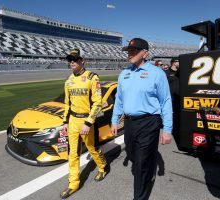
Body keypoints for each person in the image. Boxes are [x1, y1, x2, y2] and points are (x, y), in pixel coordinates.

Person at [111, 38, 173, 200]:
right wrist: (114, 120)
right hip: (130, 123)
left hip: (149, 122)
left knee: (140, 164)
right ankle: (148, 166)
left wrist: (167, 130)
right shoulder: (124, 73)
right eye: (129, 51)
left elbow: (165, 101)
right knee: (132, 155)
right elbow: (119, 100)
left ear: (145, 53)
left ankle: (139, 197)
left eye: (135, 51)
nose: (130, 54)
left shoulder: (157, 73)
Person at [60, 48, 107, 199]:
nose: (72, 62)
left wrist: (88, 123)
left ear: (82, 61)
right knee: (72, 153)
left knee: (91, 148)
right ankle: (73, 184)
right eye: (70, 60)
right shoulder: (68, 80)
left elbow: (98, 103)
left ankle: (102, 167)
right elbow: (67, 103)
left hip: (86, 121)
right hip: (73, 120)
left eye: (75, 59)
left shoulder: (92, 77)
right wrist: (65, 121)